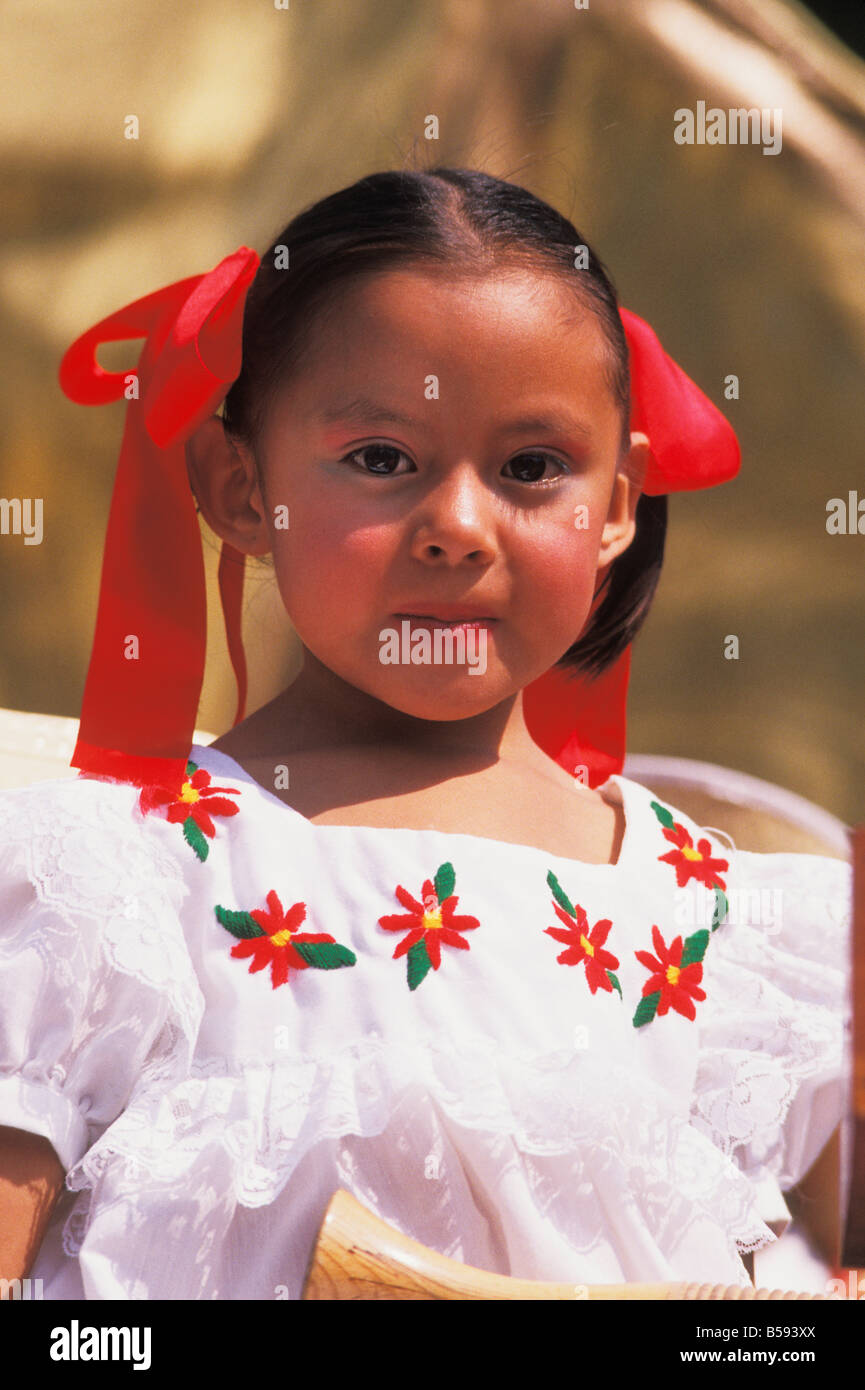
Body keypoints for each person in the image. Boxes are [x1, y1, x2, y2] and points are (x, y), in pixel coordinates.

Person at [0, 168, 850, 1300]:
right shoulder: (120, 876)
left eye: (532, 468)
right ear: (242, 487)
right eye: (381, 459)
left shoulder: (725, 927)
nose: (456, 525)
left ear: (620, 506)